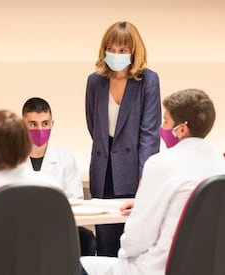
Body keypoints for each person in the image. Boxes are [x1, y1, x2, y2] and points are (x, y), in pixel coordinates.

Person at [81, 88, 225, 275]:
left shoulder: (160, 164)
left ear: (181, 129)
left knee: (78, 263)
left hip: (158, 268)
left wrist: (125, 252)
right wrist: (145, 203)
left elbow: (136, 239)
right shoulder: (220, 164)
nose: (161, 128)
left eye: (165, 121)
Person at [85, 21, 161, 256]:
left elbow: (150, 133)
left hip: (133, 169)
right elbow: (93, 125)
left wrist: (144, 177)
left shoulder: (148, 80)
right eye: (112, 49)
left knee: (133, 247)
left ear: (134, 51)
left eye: (123, 50)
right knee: (106, 246)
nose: (116, 55)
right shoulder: (95, 81)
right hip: (102, 169)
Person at [22, 97, 96, 257]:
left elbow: (75, 202)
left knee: (86, 239)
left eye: (45, 123)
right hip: (22, 230)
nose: (40, 129)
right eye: (33, 124)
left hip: (58, 228)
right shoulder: (11, 160)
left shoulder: (65, 159)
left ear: (52, 124)